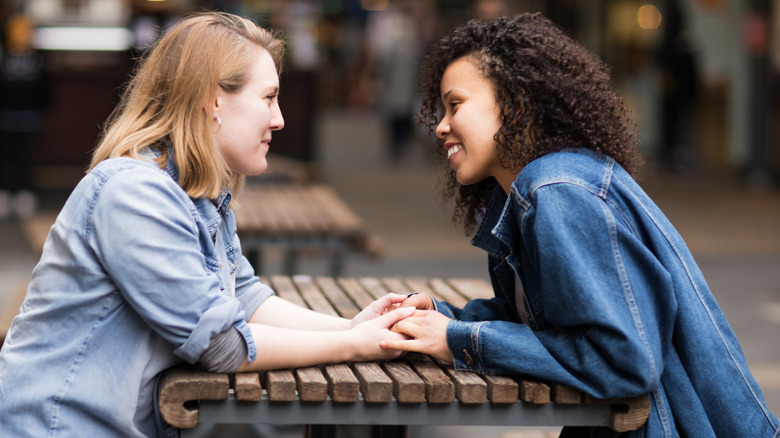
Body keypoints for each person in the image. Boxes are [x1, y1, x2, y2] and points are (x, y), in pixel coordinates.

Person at [0, 12, 414, 437]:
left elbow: (244, 297)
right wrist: (352, 345)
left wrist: (352, 327)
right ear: (214, 100)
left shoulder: (195, 190)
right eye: (268, 97)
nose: (279, 119)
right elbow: (222, 344)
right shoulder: (135, 194)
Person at [380, 13, 779, 437]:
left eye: (455, 105)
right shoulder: (533, 190)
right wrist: (443, 320)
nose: (440, 126)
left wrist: (458, 341)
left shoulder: (557, 191)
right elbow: (545, 322)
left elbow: (624, 362)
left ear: (517, 103)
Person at [0, 13, 50, 217]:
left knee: (26, 156)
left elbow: (46, 87)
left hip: (30, 116)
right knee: (6, 156)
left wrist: (44, 109)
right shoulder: (4, 58)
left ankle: (24, 191)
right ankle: (5, 190)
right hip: (6, 116)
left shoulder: (39, 59)